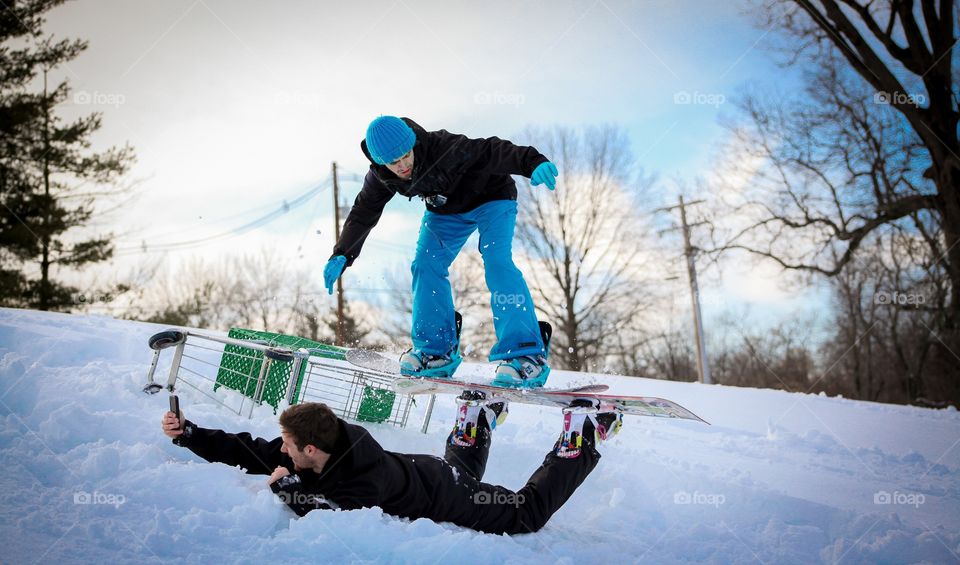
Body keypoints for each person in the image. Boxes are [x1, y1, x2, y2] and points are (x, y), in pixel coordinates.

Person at [322, 116, 560, 387]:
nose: (402, 166)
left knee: (497, 261)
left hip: (492, 198)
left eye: (406, 156)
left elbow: (491, 150)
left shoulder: (444, 148)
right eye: (393, 162)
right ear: (380, 162)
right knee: (425, 265)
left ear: (413, 144)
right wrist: (342, 253)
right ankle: (435, 350)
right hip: (445, 212)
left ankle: (526, 354)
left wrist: (532, 162)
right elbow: (364, 211)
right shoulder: (380, 176)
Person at [161, 396, 622, 534]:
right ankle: (474, 420)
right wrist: (190, 433)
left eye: (287, 444)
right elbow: (246, 449)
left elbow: (332, 513)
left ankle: (582, 435)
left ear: (311, 449)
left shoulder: (363, 482)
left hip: (445, 493)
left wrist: (287, 490)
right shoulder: (315, 445)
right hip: (427, 471)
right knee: (459, 470)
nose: (280, 449)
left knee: (525, 513)